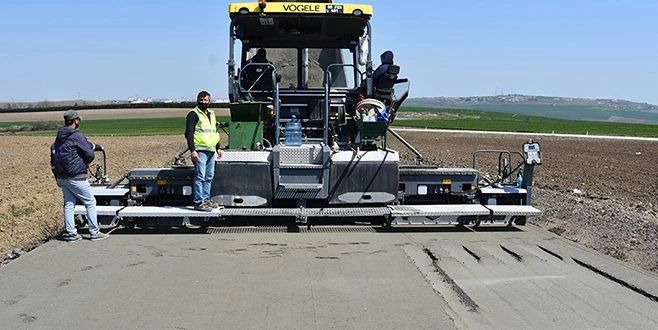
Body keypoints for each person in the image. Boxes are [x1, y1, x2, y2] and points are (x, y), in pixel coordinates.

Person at [50, 110, 109, 241]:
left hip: (61, 177)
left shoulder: (59, 136)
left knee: (69, 204)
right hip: (76, 176)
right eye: (78, 120)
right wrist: (86, 161)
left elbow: (55, 152)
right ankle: (94, 232)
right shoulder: (77, 135)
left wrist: (97, 146)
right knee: (90, 201)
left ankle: (72, 234)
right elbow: (89, 153)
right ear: (75, 121)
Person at [185, 91, 223, 212]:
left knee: (209, 176)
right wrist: (193, 151)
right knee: (200, 177)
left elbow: (213, 132)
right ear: (197, 100)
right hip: (200, 150)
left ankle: (206, 199)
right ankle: (198, 202)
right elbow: (189, 133)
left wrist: (218, 148)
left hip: (211, 150)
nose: (203, 102)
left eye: (205, 100)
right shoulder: (193, 114)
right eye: (201, 100)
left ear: (209, 101)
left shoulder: (211, 114)